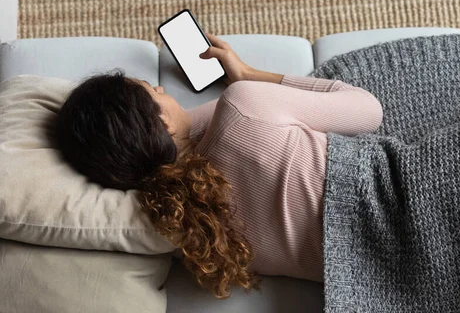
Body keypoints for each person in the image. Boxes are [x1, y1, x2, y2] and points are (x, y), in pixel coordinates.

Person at [55, 32, 383, 299]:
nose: (161, 88)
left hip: (370, 276)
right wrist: (249, 76)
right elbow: (368, 111)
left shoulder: (183, 228)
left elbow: (195, 138)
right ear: (163, 123)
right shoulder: (243, 106)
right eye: (153, 92)